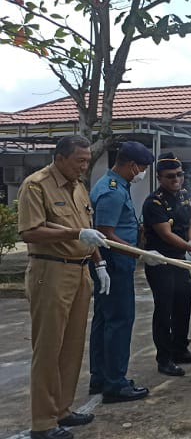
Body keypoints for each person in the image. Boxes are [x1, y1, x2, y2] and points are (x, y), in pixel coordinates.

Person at [17, 135, 108, 439]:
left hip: (80, 273)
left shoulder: (79, 186)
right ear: (59, 158)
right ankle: (42, 423)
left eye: (86, 160)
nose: (84, 166)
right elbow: (30, 231)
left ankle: (63, 411)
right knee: (48, 349)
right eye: (79, 161)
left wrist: (99, 263)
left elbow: (88, 230)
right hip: (50, 272)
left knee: (72, 347)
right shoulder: (36, 185)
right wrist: (76, 233)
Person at [88, 141, 157, 403]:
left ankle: (101, 377)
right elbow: (106, 235)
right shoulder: (112, 191)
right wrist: (142, 254)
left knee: (104, 320)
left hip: (115, 264)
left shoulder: (116, 185)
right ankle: (115, 383)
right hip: (114, 265)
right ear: (132, 165)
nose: (143, 173)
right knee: (118, 321)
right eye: (143, 168)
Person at [141, 152, 191, 377]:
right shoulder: (154, 202)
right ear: (160, 177)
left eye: (180, 175)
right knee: (165, 310)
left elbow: (190, 221)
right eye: (170, 176)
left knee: (183, 304)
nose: (176, 180)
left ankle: (180, 349)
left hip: (179, 259)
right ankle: (165, 358)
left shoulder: (184, 195)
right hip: (161, 261)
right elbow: (166, 234)